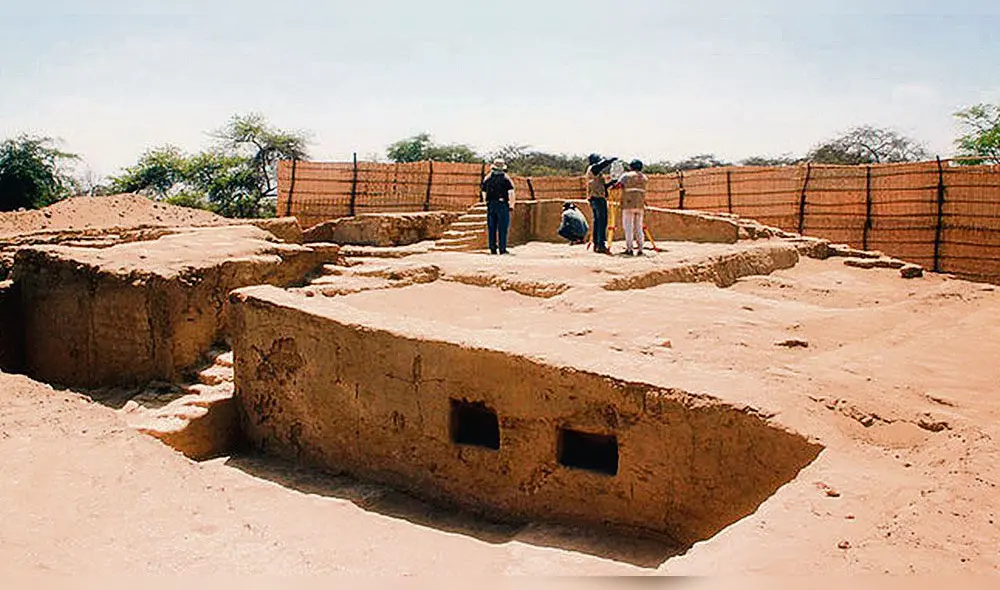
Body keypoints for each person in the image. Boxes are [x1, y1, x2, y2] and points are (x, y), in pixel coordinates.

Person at [609, 159, 648, 256]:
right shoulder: (644, 177)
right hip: (640, 205)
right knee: (638, 227)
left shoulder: (626, 176)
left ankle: (629, 249)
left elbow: (618, 185)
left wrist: (612, 185)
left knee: (628, 227)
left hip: (628, 204)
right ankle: (640, 249)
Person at [481, 158, 516, 255]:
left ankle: (492, 248)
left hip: (491, 205)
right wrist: (511, 205)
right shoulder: (506, 179)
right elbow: (511, 193)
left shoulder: (487, 178)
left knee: (491, 228)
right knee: (502, 228)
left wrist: (486, 203)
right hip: (502, 204)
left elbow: (483, 192)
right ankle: (502, 249)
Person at [584, 153, 618, 254]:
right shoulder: (593, 168)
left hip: (595, 198)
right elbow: (602, 165)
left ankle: (596, 244)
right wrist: (611, 160)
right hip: (598, 199)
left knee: (597, 222)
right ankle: (601, 245)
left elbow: (603, 186)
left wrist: (612, 182)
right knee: (602, 222)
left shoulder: (594, 172)